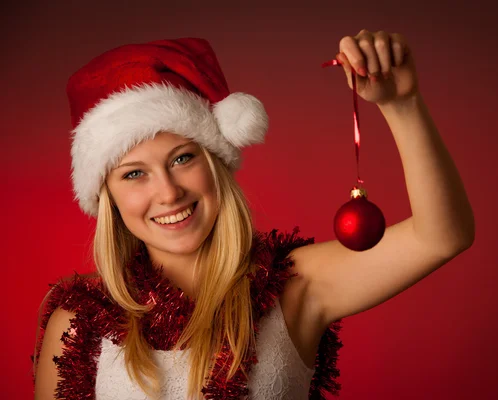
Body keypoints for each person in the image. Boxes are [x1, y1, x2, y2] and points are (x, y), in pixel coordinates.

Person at [32, 30, 475, 399]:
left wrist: (402, 104)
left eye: (183, 159)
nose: (167, 192)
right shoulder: (78, 321)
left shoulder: (294, 286)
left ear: (215, 164)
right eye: (133, 174)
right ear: (107, 195)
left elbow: (442, 235)